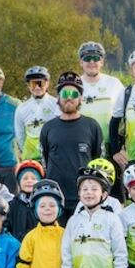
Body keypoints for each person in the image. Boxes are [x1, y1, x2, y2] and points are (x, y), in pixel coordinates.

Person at [38, 71, 104, 215]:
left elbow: (98, 161)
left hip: (85, 199)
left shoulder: (92, 126)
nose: (69, 98)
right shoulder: (48, 128)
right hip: (55, 199)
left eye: (74, 94)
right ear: (58, 98)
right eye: (64, 94)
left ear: (81, 98)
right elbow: (45, 160)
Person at [74, 42, 126, 141]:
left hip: (111, 144)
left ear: (101, 62)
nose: (92, 62)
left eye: (96, 58)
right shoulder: (74, 85)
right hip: (82, 144)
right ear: (81, 62)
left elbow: (127, 112)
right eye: (87, 59)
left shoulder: (114, 83)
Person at [14, 66, 58, 163]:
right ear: (28, 86)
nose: (37, 87)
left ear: (47, 84)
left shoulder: (56, 104)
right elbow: (20, 136)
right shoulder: (21, 109)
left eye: (40, 83)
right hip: (31, 159)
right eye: (33, 84)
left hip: (53, 157)